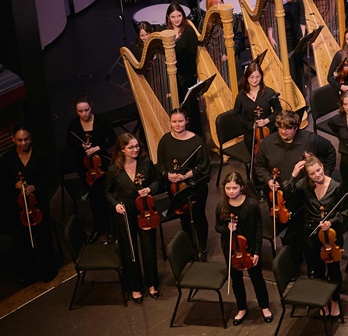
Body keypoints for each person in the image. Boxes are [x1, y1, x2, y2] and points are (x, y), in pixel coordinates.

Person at [284, 153, 348, 317]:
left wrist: (331, 222)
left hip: (331, 236)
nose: (317, 175)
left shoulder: (336, 186)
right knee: (317, 270)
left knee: (333, 269)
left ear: (323, 167)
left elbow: (345, 214)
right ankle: (322, 300)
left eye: (319, 170)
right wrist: (293, 174)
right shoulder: (305, 184)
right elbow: (287, 194)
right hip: (311, 234)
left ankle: (335, 301)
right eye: (312, 173)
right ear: (307, 174)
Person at [106, 133, 160, 301]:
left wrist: (149, 189)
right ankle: (135, 287)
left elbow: (157, 181)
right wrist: (116, 204)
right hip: (125, 210)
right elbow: (107, 192)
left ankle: (152, 284)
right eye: (131, 147)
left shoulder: (145, 163)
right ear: (122, 150)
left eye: (137, 146)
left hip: (145, 209)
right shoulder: (114, 170)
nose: (135, 149)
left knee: (149, 247)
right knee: (130, 250)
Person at [216, 171, 274, 324]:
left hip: (249, 247)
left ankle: (265, 307)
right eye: (228, 188)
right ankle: (242, 308)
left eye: (234, 188)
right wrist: (227, 229)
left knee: (257, 278)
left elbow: (258, 228)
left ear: (241, 187)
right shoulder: (222, 206)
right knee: (236, 280)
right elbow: (217, 227)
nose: (231, 191)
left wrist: (256, 251)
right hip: (230, 248)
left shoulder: (251, 204)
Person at [3, 127, 58, 285]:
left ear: (31, 138)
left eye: (26, 139)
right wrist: (15, 185)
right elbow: (2, 181)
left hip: (38, 202)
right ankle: (28, 273)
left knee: (43, 235)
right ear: (13, 140)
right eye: (19, 140)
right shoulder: (8, 158)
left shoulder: (40, 154)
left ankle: (48, 270)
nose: (23, 143)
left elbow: (50, 176)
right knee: (22, 239)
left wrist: (35, 187)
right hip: (18, 206)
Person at [156, 109, 209, 255]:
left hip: (194, 184)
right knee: (183, 217)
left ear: (186, 121)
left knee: (198, 216)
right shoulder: (165, 141)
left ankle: (202, 247)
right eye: (174, 122)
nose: (177, 124)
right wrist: (168, 175)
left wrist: (185, 176)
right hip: (174, 187)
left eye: (180, 121)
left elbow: (204, 167)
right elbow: (160, 165)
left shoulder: (196, 141)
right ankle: (190, 246)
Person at [63, 96, 116, 242]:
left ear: (91, 107)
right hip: (85, 167)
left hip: (102, 163)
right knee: (93, 198)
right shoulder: (73, 124)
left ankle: (111, 228)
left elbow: (113, 139)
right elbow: (69, 143)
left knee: (106, 195)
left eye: (86, 110)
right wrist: (81, 146)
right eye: (80, 111)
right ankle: (97, 227)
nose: (84, 114)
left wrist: (98, 147)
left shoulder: (102, 121)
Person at [234, 64, 282, 156]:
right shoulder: (241, 96)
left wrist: (266, 120)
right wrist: (250, 125)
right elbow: (236, 115)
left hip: (269, 129)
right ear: (246, 77)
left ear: (261, 77)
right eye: (251, 77)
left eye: (257, 77)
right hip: (251, 133)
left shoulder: (269, 93)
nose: (254, 80)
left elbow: (278, 110)